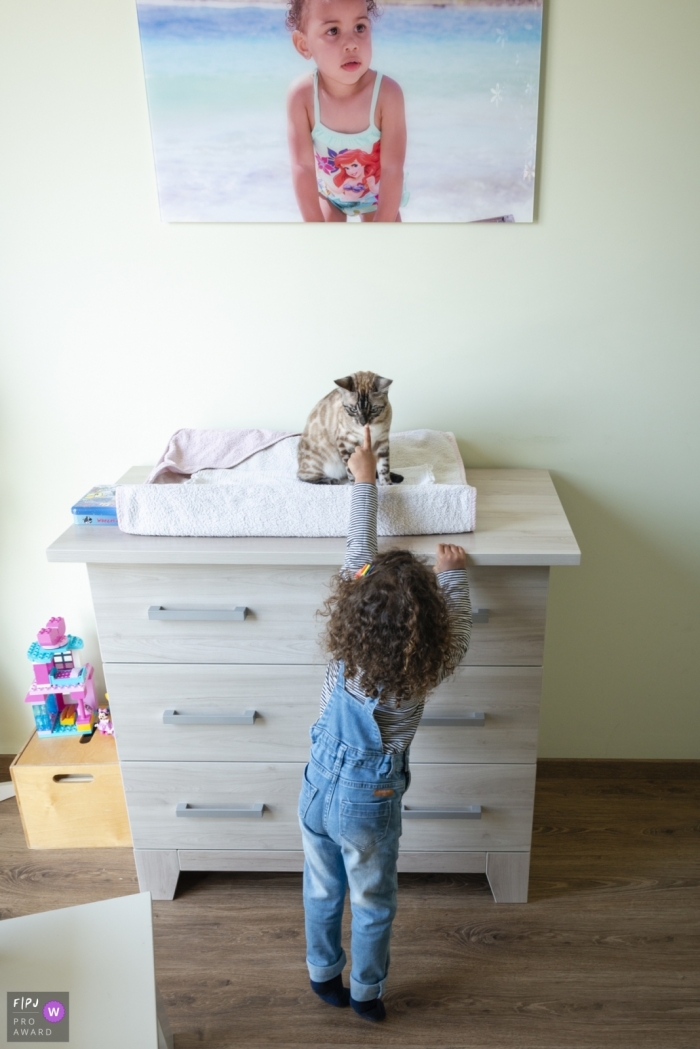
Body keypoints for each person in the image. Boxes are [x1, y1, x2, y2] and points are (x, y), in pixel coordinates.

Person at [299, 425, 471, 1021]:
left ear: (353, 608)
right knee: (372, 901)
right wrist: (451, 576)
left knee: (322, 888)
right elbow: (459, 631)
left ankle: (324, 974)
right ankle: (366, 993)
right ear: (428, 633)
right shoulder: (419, 673)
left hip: (318, 782)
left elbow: (358, 552)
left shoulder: (343, 652)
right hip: (368, 800)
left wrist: (363, 480)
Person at [286, 0, 409, 222]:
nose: (352, 44)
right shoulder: (302, 96)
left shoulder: (386, 94)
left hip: (378, 198)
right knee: (327, 252)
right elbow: (302, 167)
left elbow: (392, 169)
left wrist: (382, 228)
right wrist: (315, 228)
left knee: (389, 252)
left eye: (360, 28)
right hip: (331, 198)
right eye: (333, 31)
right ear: (304, 44)